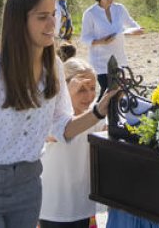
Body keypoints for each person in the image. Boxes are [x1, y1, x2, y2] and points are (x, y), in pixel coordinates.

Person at [0, 0, 118, 228]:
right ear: (19, 22)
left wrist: (98, 110)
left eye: (53, 15)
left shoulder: (54, 69)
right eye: (42, 17)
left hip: (27, 187)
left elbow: (62, 127)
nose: (53, 24)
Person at [39, 58, 104, 228]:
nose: (89, 96)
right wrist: (65, 95)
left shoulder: (93, 115)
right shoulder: (51, 115)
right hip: (53, 210)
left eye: (92, 88)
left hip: (84, 206)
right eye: (81, 89)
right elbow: (56, 133)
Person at [79, 0, 143, 92]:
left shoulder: (119, 8)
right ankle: (96, 109)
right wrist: (101, 41)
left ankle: (110, 110)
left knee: (118, 91)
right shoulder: (90, 13)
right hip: (101, 61)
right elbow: (84, 38)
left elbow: (131, 24)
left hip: (119, 58)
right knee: (107, 91)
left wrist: (136, 30)